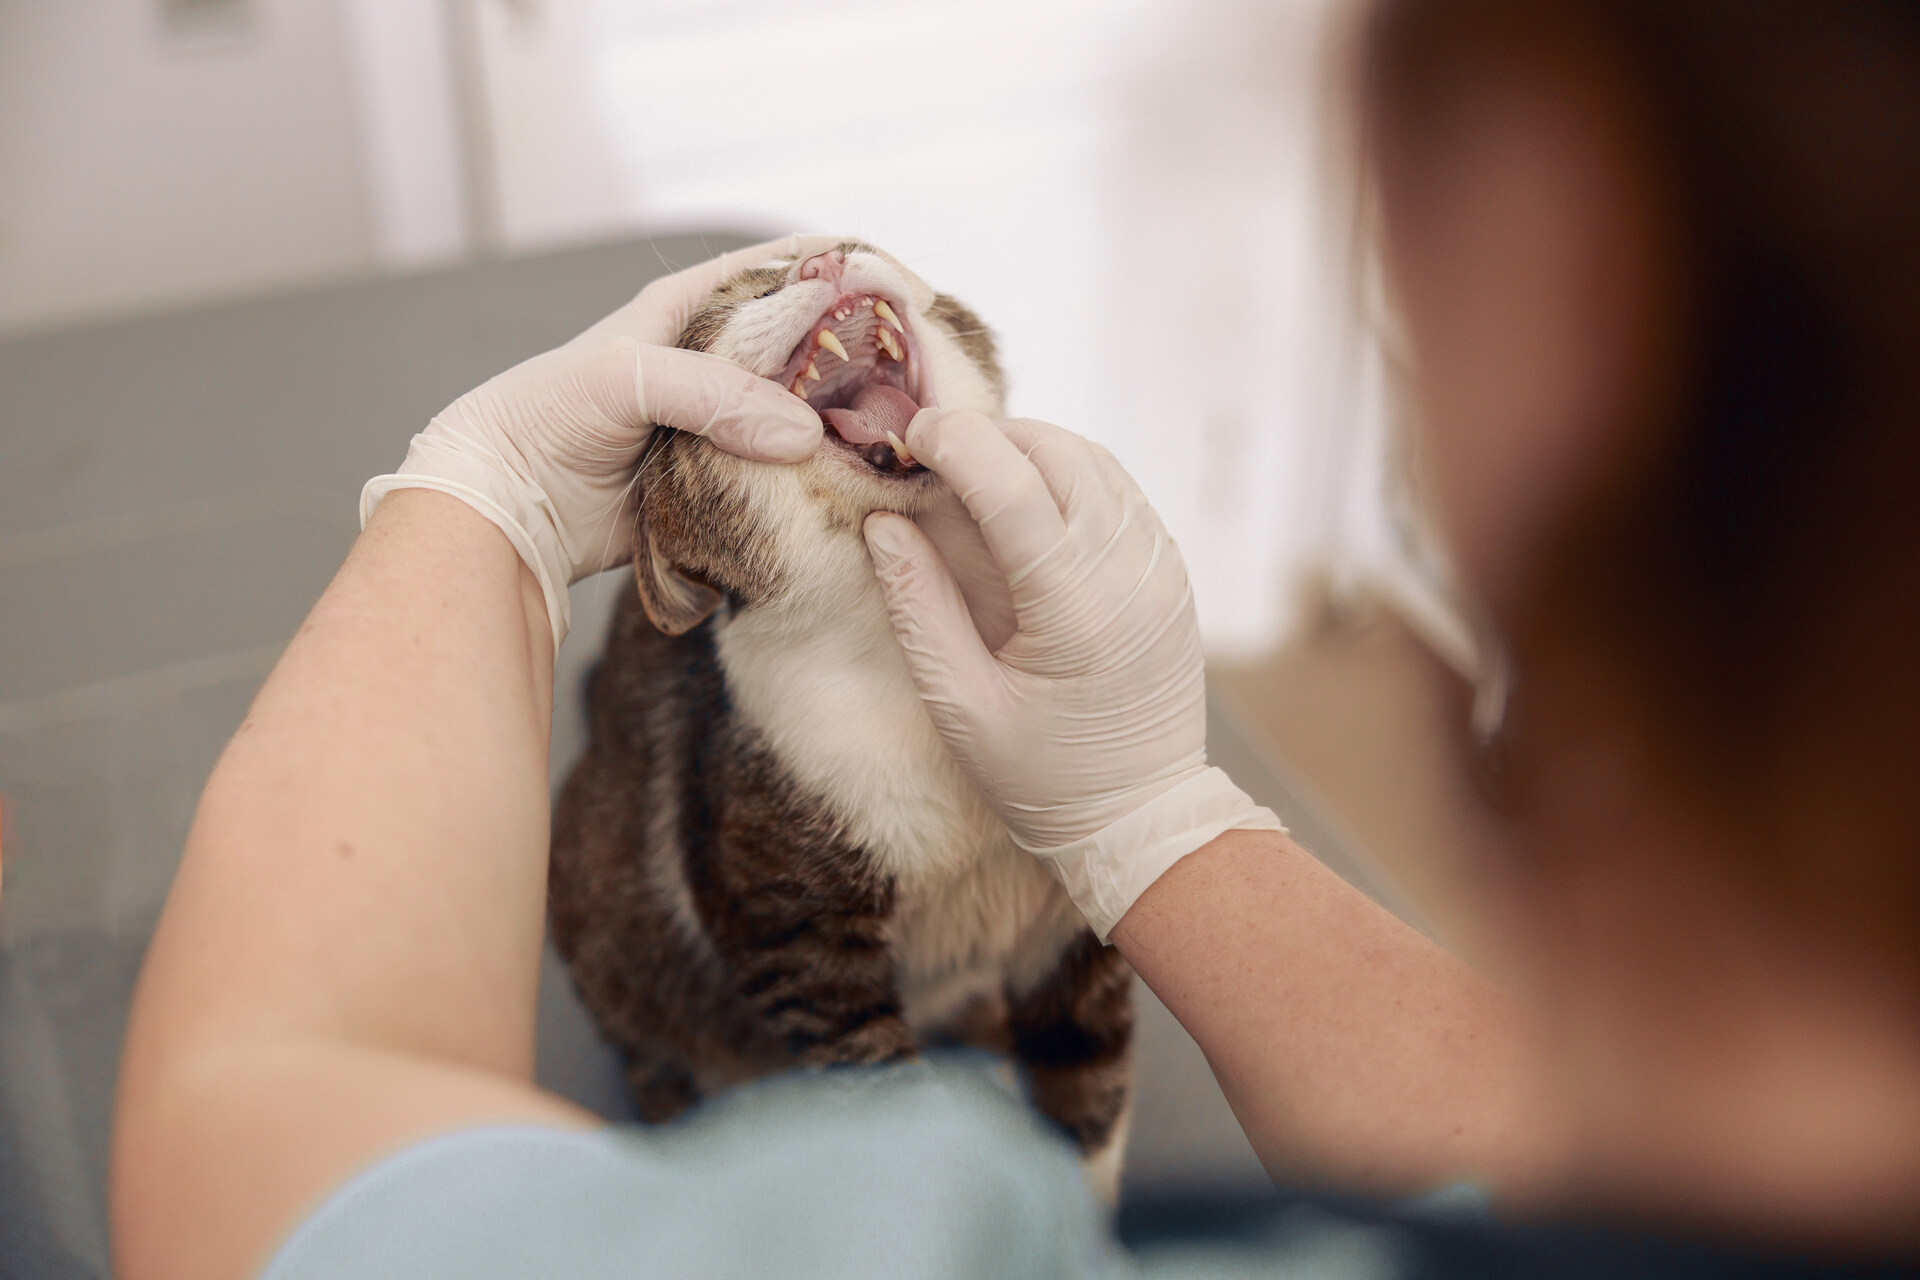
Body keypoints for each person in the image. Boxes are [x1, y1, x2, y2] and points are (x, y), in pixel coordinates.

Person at [111, 0, 1920, 1276]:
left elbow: (248, 1119)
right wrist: (1156, 814)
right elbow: (1529, 1161)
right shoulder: (1694, 1167)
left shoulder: (895, 1246)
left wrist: (482, 497)